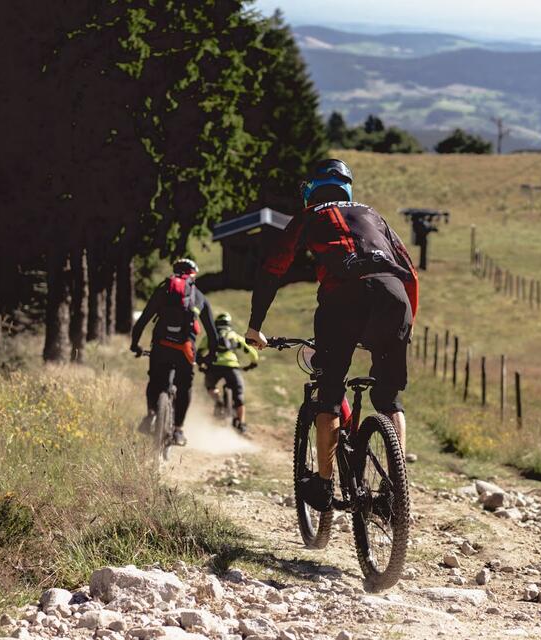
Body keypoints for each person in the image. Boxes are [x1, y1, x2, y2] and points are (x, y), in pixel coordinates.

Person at [245, 158, 418, 511]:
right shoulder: (373, 215)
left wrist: (255, 325)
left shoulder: (311, 216)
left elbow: (272, 269)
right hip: (394, 300)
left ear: (311, 189)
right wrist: (404, 323)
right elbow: (410, 274)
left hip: (344, 300)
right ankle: (394, 491)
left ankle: (324, 486)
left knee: (329, 393)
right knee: (388, 399)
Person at [130, 258, 218, 447]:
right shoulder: (199, 296)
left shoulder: (164, 290)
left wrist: (135, 344)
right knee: (184, 385)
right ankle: (178, 430)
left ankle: (152, 415)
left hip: (161, 345)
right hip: (185, 350)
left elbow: (143, 320)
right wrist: (210, 357)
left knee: (155, 379)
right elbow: (212, 334)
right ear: (194, 274)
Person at [197, 311, 258, 434]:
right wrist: (253, 363)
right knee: (239, 395)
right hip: (231, 366)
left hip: (213, 367)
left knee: (210, 387)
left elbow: (199, 353)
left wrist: (201, 365)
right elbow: (251, 352)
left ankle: (218, 402)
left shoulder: (210, 336)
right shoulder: (234, 336)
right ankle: (241, 423)